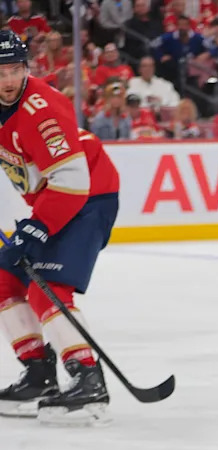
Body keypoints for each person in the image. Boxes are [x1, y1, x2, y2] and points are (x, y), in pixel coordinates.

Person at [0, 30, 118, 426]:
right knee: (4, 279)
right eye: (0, 71)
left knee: (46, 288)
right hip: (49, 198)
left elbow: (71, 181)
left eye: (15, 69)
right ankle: (38, 375)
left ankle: (88, 377)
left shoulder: (41, 108)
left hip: (87, 198)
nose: (9, 80)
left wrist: (34, 230)